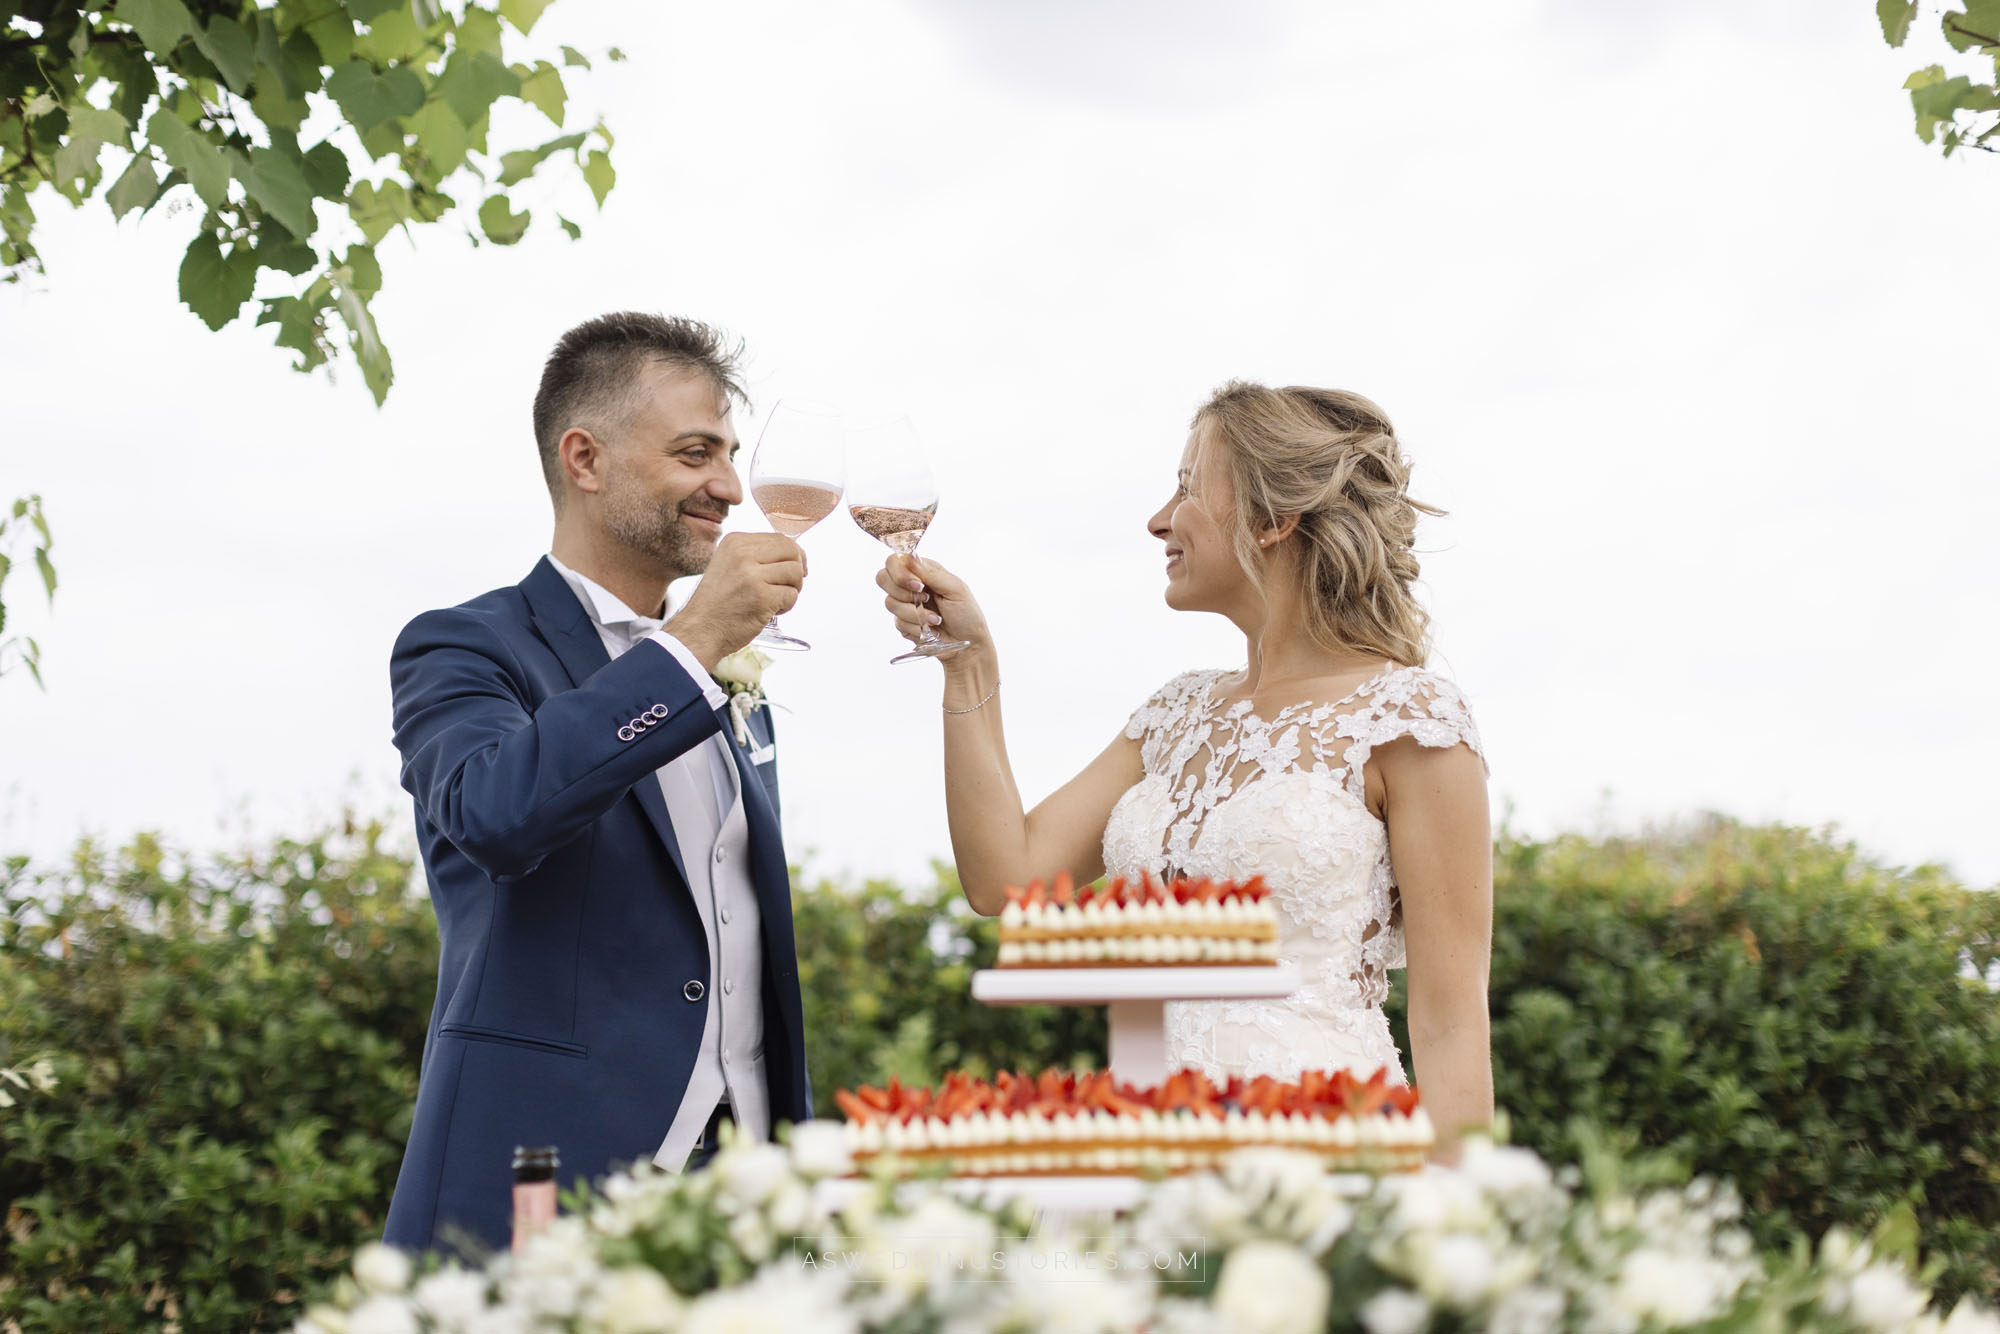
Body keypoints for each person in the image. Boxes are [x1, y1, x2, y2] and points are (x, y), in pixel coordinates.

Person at [876, 381, 1494, 1152]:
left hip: (1321, 1158)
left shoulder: (1410, 720)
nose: (1158, 520)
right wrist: (968, 666)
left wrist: (1458, 1230)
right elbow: (1004, 877)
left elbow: (1448, 1021)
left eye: (1185, 487)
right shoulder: (1175, 715)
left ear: (1273, 519)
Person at [382, 313, 813, 1254]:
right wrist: (692, 642)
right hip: (545, 1183)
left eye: (732, 454)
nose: (731, 488)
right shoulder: (463, 646)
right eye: (697, 453)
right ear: (585, 458)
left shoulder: (733, 682)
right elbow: (496, 812)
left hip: (743, 1196)